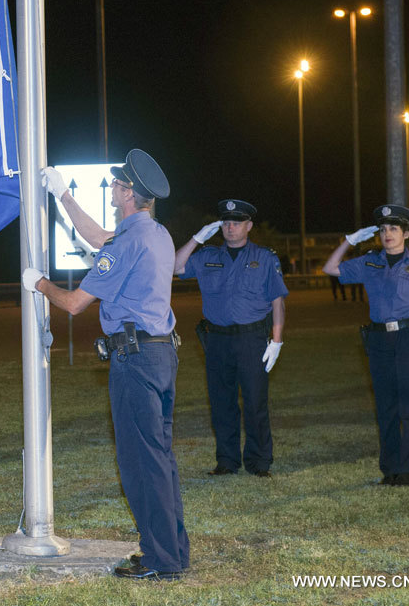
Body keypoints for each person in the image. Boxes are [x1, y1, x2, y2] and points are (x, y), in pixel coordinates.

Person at [25, 149, 189, 581]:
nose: (112, 188)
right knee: (161, 460)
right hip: (161, 355)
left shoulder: (130, 241)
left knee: (141, 465)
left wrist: (38, 283)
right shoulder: (154, 233)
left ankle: (160, 562)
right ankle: (173, 551)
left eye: (117, 184)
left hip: (134, 359)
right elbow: (99, 237)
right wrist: (63, 196)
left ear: (129, 193)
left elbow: (76, 303)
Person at [322, 204, 409, 487]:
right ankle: (390, 469)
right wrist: (349, 241)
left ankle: (408, 470)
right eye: (383, 229)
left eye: (394, 228)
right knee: (385, 406)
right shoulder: (369, 261)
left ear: (406, 233)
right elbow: (330, 268)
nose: (387, 234)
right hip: (379, 339)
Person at [173, 200, 287, 478]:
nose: (230, 227)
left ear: (249, 226)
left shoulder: (265, 257)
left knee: (254, 402)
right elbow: (175, 268)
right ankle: (227, 461)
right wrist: (197, 239)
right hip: (217, 340)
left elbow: (277, 301)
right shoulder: (207, 255)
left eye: (236, 222)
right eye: (225, 222)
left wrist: (277, 340)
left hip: (252, 339)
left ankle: (259, 461)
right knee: (221, 402)